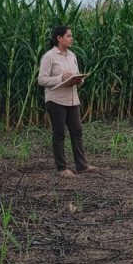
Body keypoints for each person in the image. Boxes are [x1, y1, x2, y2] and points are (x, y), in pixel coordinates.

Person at [38, 26, 99, 178]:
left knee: (77, 132)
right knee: (59, 134)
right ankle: (62, 168)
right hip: (56, 100)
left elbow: (75, 74)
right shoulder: (49, 56)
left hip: (72, 100)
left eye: (72, 36)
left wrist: (79, 80)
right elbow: (41, 80)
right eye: (68, 36)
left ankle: (81, 165)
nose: (71, 39)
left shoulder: (72, 55)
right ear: (59, 38)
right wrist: (61, 78)